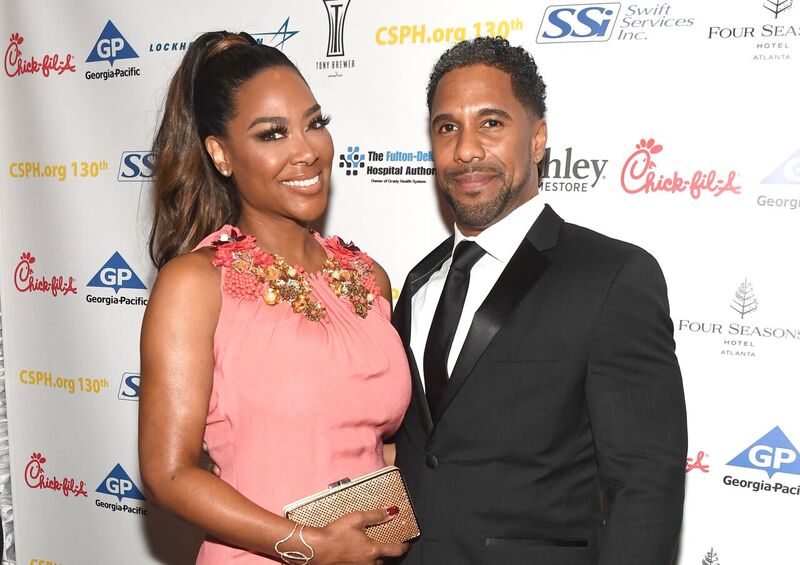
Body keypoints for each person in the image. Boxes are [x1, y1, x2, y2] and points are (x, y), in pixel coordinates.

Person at [391, 37, 687, 564]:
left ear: (537, 139)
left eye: (491, 123)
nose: (465, 150)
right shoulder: (417, 282)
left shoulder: (613, 276)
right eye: (446, 127)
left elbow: (647, 487)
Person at [138, 31, 411, 565]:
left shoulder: (369, 277)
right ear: (220, 154)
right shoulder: (195, 285)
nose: (306, 150)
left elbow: (371, 443)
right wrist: (311, 546)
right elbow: (168, 472)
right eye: (272, 134)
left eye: (315, 123)